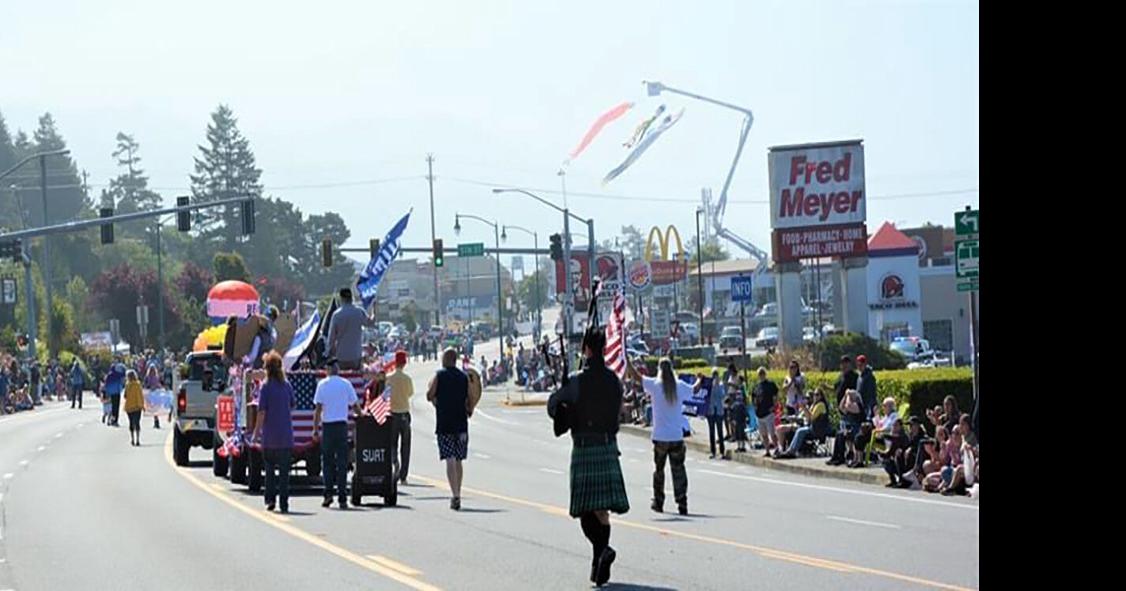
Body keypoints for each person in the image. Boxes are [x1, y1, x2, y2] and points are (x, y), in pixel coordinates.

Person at [547, 328, 629, 587]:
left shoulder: (576, 380)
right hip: (607, 445)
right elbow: (618, 412)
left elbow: (553, 407)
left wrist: (563, 400)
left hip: (584, 446)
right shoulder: (614, 379)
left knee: (585, 511)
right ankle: (598, 566)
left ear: (587, 350)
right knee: (602, 512)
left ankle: (602, 552)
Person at [427, 348, 473, 511]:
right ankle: (458, 493)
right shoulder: (464, 377)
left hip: (445, 423)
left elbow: (429, 394)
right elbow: (470, 398)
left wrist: (435, 400)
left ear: (446, 359)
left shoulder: (439, 375)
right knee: (459, 460)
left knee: (450, 458)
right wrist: (469, 410)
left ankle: (454, 495)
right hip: (461, 423)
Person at [313, 359, 359, 509]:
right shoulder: (346, 384)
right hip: (341, 426)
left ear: (327, 369)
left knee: (327, 462)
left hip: (328, 427)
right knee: (342, 462)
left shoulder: (322, 385)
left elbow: (318, 410)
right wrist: (362, 415)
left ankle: (328, 494)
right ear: (337, 369)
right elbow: (355, 406)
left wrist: (315, 429)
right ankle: (342, 497)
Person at [254, 351, 295, 513]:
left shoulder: (265, 387)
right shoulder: (287, 386)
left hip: (270, 436)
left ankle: (270, 499)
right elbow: (292, 405)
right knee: (284, 473)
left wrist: (257, 433)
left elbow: (261, 412)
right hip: (285, 435)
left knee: (269, 470)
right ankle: (284, 503)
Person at [325, 288, 377, 370]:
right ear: (351, 298)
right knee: (356, 379)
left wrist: (330, 353)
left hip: (341, 356)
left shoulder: (336, 315)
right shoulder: (359, 312)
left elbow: (331, 338)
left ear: (341, 298)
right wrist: (374, 310)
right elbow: (371, 323)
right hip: (356, 355)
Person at [775, 388, 831, 459]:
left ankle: (791, 451)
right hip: (811, 427)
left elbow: (810, 419)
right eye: (814, 395)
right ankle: (785, 449)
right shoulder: (814, 405)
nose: (815, 397)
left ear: (821, 396)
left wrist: (804, 408)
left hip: (817, 429)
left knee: (800, 431)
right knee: (794, 429)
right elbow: (808, 419)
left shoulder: (820, 405)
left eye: (817, 395)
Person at [386, 350, 415, 485]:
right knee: (406, 446)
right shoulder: (407, 379)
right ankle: (403, 475)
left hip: (392, 414)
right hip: (404, 413)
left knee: (392, 444)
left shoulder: (389, 378)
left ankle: (394, 463)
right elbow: (410, 393)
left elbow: (385, 395)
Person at [827, 388, 865, 466]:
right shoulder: (849, 404)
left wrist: (848, 395)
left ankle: (841, 457)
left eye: (851, 396)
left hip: (857, 428)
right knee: (839, 434)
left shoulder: (858, 406)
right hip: (849, 428)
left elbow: (848, 406)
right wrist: (845, 396)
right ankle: (836, 456)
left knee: (841, 434)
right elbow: (841, 407)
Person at [751, 367, 780, 457]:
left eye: (762, 373)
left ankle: (777, 449)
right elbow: (754, 398)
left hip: (768, 412)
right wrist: (755, 407)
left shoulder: (770, 384)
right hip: (759, 414)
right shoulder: (756, 386)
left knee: (772, 433)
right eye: (759, 374)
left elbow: (775, 396)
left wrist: (774, 406)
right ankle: (767, 450)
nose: (761, 375)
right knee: (763, 434)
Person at [698, 370, 726, 459]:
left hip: (719, 411)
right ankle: (713, 451)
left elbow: (722, 395)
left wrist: (716, 386)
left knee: (720, 432)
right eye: (713, 376)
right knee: (711, 432)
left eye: (716, 376)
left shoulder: (720, 385)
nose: (715, 378)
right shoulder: (709, 386)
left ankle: (722, 451)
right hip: (710, 411)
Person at [123, 370, 144, 446]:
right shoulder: (138, 384)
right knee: (137, 423)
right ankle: (138, 439)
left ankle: (132, 439)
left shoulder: (127, 385)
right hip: (137, 406)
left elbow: (125, 396)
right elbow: (141, 395)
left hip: (129, 407)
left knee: (131, 423)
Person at [728, 374, 748, 452]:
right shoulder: (739, 389)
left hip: (741, 415)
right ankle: (739, 446)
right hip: (738, 414)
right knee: (738, 432)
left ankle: (742, 446)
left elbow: (745, 397)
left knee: (741, 432)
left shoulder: (742, 388)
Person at [104, 358, 127, 427]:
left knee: (110, 407)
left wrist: (106, 393)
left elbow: (106, 384)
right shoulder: (118, 374)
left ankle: (111, 418)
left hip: (110, 393)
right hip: (117, 392)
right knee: (116, 407)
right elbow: (124, 374)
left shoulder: (108, 375)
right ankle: (115, 420)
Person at [856, 355, 878, 419]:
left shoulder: (870, 377)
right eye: (858, 365)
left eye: (861, 365)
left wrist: (869, 408)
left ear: (865, 364)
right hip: (861, 404)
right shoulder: (860, 376)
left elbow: (871, 394)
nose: (859, 367)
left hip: (868, 405)